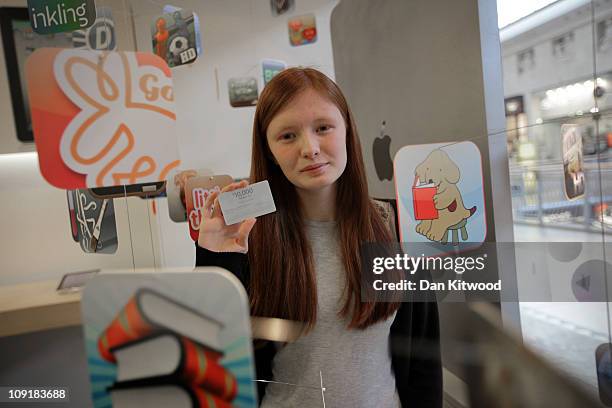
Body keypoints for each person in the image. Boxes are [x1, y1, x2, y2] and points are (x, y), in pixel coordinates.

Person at [194, 67, 441, 407]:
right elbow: (211, 360)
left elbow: (425, 357)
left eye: (323, 128)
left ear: (346, 131)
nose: (309, 148)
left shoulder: (397, 224)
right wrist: (216, 260)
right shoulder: (249, 236)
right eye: (287, 136)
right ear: (269, 150)